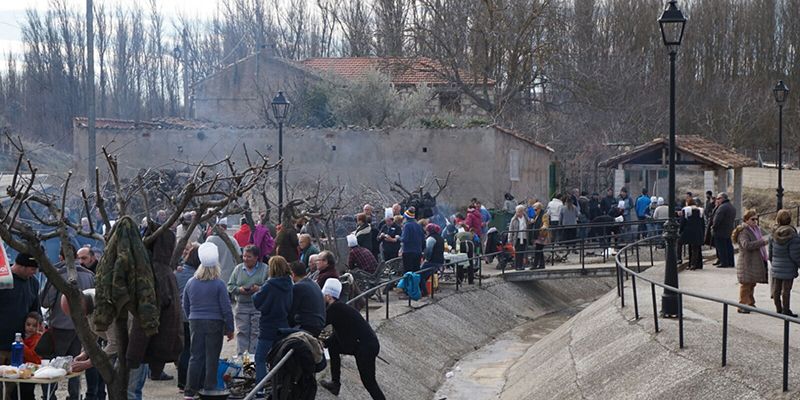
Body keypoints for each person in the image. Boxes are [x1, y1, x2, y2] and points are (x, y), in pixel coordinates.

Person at [39, 246, 95, 400]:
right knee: (75, 364)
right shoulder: (90, 275)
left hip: (59, 326)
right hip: (82, 328)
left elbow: (45, 302)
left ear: (61, 258)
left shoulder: (57, 275)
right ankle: (75, 396)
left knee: (52, 365)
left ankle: (49, 395)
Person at [182, 242, 235, 399]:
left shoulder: (191, 283)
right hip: (214, 322)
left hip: (195, 321)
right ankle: (209, 389)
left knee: (195, 356)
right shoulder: (219, 284)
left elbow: (185, 303)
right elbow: (226, 308)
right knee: (212, 357)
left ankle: (189, 391)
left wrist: (192, 316)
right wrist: (230, 328)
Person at [319, 279, 386, 400]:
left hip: (365, 347)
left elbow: (319, 324)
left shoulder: (334, 310)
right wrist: (326, 342)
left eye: (323, 295)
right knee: (333, 346)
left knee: (369, 382)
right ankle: (335, 384)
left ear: (328, 296)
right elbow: (339, 333)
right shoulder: (340, 308)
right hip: (361, 343)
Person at [0, 253, 40, 400]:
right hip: (1, 342)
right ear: (21, 266)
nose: (34, 272)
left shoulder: (33, 283)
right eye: (31, 269)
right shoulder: (3, 279)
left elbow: (35, 311)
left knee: (14, 389)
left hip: (19, 346)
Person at [252, 256, 294, 388]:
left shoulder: (270, 285)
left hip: (268, 325)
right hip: (283, 324)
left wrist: (257, 291)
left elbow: (257, 300)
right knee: (279, 358)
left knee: (260, 358)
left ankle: (260, 389)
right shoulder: (289, 283)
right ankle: (279, 386)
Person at [228, 245, 268, 355]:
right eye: (244, 256)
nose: (245, 259)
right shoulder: (238, 269)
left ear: (256, 257)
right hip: (242, 306)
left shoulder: (264, 269)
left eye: (249, 257)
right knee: (242, 333)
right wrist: (239, 289)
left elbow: (269, 286)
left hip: (258, 306)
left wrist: (259, 289)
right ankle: (242, 360)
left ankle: (253, 361)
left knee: (256, 332)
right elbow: (230, 286)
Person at [732, 210, 768, 314]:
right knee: (746, 284)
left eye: (756, 219)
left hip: (754, 260)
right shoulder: (744, 231)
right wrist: (762, 242)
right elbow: (746, 245)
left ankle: (750, 303)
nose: (755, 221)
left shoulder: (756, 229)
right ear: (746, 220)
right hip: (746, 261)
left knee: (752, 283)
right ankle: (742, 305)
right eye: (752, 219)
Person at [175, 243, 200, 392]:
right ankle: (192, 382)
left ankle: (182, 383)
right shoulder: (198, 276)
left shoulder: (177, 273)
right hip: (193, 315)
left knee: (184, 350)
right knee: (194, 350)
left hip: (179, 315)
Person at [769, 210, 800, 317]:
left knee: (776, 288)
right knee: (786, 290)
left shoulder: (773, 233)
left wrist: (773, 263)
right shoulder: (793, 235)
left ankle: (778, 308)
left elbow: (770, 252)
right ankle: (786, 310)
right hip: (789, 266)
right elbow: (795, 254)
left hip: (776, 265)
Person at [289, 261, 326, 336]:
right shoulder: (314, 284)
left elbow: (291, 311)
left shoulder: (298, 287)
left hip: (307, 326)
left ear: (292, 274)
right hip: (319, 324)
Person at [205, 217, 238, 282]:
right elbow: (238, 256)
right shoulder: (232, 240)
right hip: (228, 276)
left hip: (213, 274)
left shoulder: (210, 240)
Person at [712, 192, 737, 268]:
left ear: (723, 198)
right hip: (728, 229)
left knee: (721, 247)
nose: (717, 200)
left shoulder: (722, 207)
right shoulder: (731, 206)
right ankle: (730, 262)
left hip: (720, 230)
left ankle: (724, 262)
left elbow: (717, 220)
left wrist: (713, 227)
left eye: (718, 198)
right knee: (728, 246)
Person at [680, 201, 705, 270]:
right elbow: (703, 223)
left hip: (689, 231)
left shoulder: (686, 210)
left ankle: (692, 264)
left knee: (691, 248)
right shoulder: (700, 211)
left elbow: (682, 222)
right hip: (698, 232)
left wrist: (680, 231)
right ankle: (698, 264)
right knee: (696, 248)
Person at [400, 207, 425, 274]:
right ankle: (415, 284)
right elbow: (423, 239)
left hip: (408, 252)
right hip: (418, 252)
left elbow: (405, 239)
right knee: (416, 271)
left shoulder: (407, 226)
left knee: (408, 272)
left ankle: (409, 284)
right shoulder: (418, 226)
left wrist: (398, 238)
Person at [508, 204, 530, 271]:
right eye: (518, 212)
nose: (519, 213)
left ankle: (521, 265)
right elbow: (511, 229)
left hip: (524, 237)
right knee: (517, 252)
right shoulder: (514, 219)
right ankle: (517, 266)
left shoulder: (525, 217)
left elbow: (528, 223)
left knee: (522, 252)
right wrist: (510, 239)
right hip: (517, 238)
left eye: (520, 211)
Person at [529, 202, 549, 269]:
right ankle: (542, 265)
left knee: (538, 249)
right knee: (539, 250)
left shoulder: (544, 215)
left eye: (536, 209)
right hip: (537, 234)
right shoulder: (536, 215)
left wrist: (544, 226)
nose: (535, 211)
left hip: (541, 234)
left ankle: (535, 265)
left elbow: (545, 222)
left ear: (539, 209)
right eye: (534, 210)